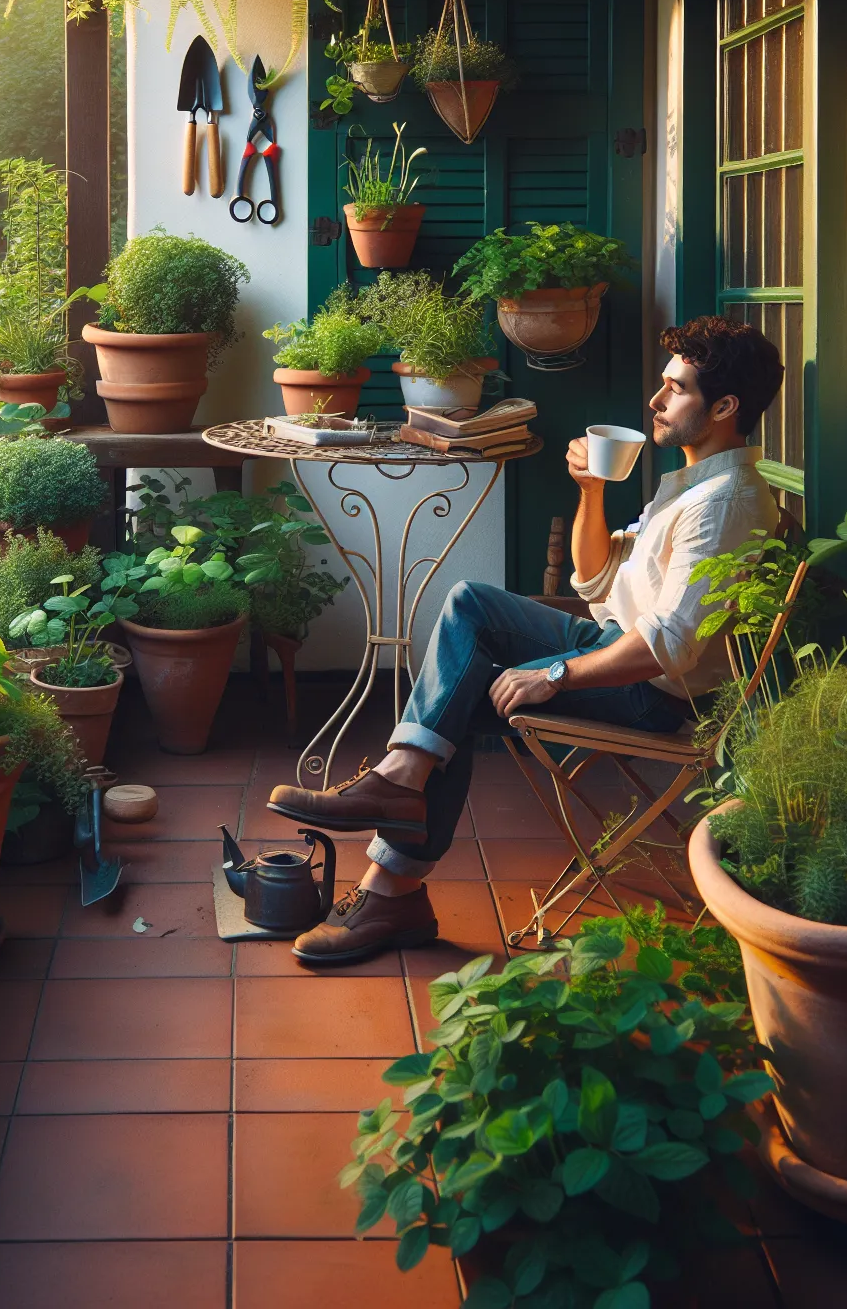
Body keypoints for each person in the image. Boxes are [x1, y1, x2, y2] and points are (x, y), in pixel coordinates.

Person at [269, 315, 784, 964]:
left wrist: (555, 676)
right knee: (470, 606)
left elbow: (668, 649)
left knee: (456, 691)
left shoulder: (726, 504)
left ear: (726, 406)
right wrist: (591, 493)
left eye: (675, 388)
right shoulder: (694, 485)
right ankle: (398, 812)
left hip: (651, 694)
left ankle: (392, 885)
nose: (654, 400)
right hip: (612, 642)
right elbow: (596, 578)